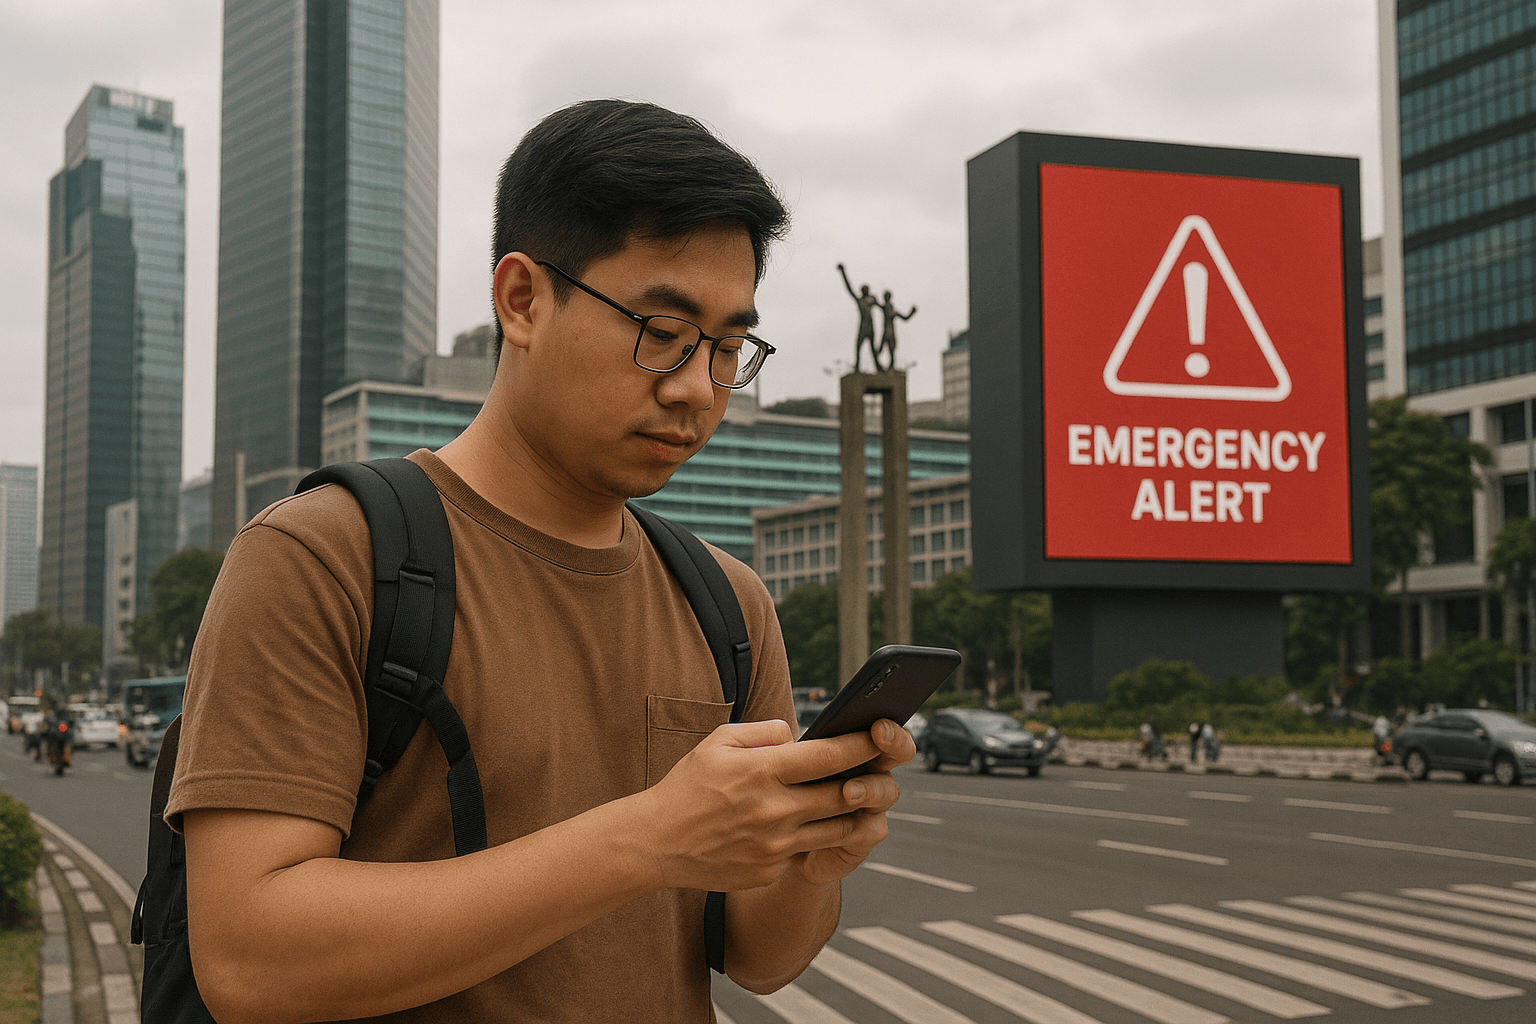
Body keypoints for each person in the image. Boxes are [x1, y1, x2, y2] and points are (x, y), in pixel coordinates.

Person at [167, 100, 914, 1023]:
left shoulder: (728, 603)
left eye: (728, 348)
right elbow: (249, 960)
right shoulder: (324, 556)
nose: (697, 389)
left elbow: (759, 958)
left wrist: (813, 857)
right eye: (662, 333)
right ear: (521, 300)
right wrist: (649, 837)